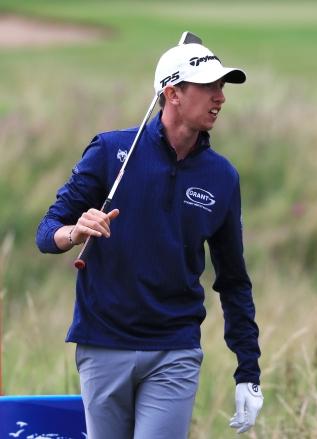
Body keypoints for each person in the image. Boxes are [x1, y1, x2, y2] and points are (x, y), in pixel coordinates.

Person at [35, 40, 263, 438]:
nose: (220, 97)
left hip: (174, 349)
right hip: (103, 344)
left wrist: (248, 370)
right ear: (172, 94)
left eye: (222, 87)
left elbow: (233, 280)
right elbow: (46, 232)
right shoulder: (110, 151)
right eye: (208, 86)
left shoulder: (222, 176)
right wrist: (74, 231)